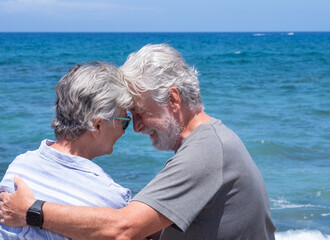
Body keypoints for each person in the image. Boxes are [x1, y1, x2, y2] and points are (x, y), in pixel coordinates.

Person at [0, 44, 276, 240]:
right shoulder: (207, 144)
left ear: (173, 100)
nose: (137, 127)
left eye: (140, 114)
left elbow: (124, 228)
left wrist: (33, 211)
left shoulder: (206, 151)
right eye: (129, 118)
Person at [0, 62, 133, 239]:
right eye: (124, 121)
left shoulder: (20, 166)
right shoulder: (111, 198)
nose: (124, 130)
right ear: (97, 125)